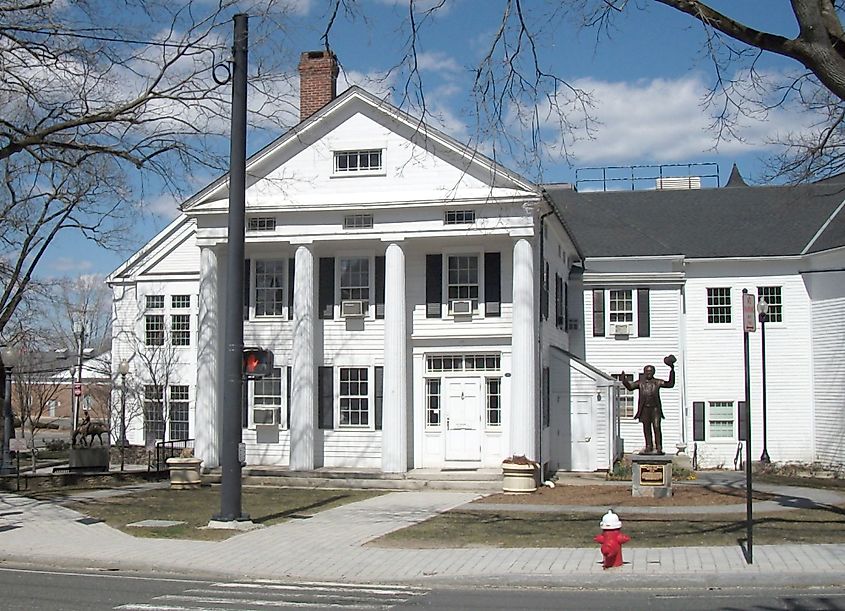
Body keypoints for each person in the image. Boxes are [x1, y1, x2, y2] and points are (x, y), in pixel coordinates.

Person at [621, 355, 675, 455]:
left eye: (650, 371)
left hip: (655, 409)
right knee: (646, 428)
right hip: (645, 409)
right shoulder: (640, 383)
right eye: (647, 371)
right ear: (644, 372)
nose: (649, 373)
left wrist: (672, 370)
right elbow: (630, 387)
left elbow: (670, 384)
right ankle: (648, 446)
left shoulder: (657, 382)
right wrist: (624, 380)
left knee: (656, 427)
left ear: (653, 372)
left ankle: (659, 447)